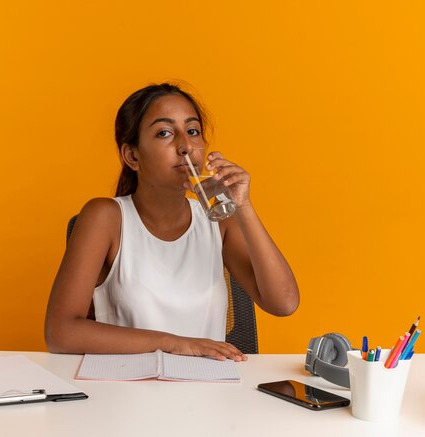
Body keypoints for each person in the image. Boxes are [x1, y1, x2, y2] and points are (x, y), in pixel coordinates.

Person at [45, 83, 299, 361]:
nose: (185, 146)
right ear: (132, 156)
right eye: (164, 133)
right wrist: (174, 343)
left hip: (206, 392)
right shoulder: (105, 218)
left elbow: (284, 303)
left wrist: (243, 206)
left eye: (192, 132)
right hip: (124, 393)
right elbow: (60, 333)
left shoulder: (220, 222)